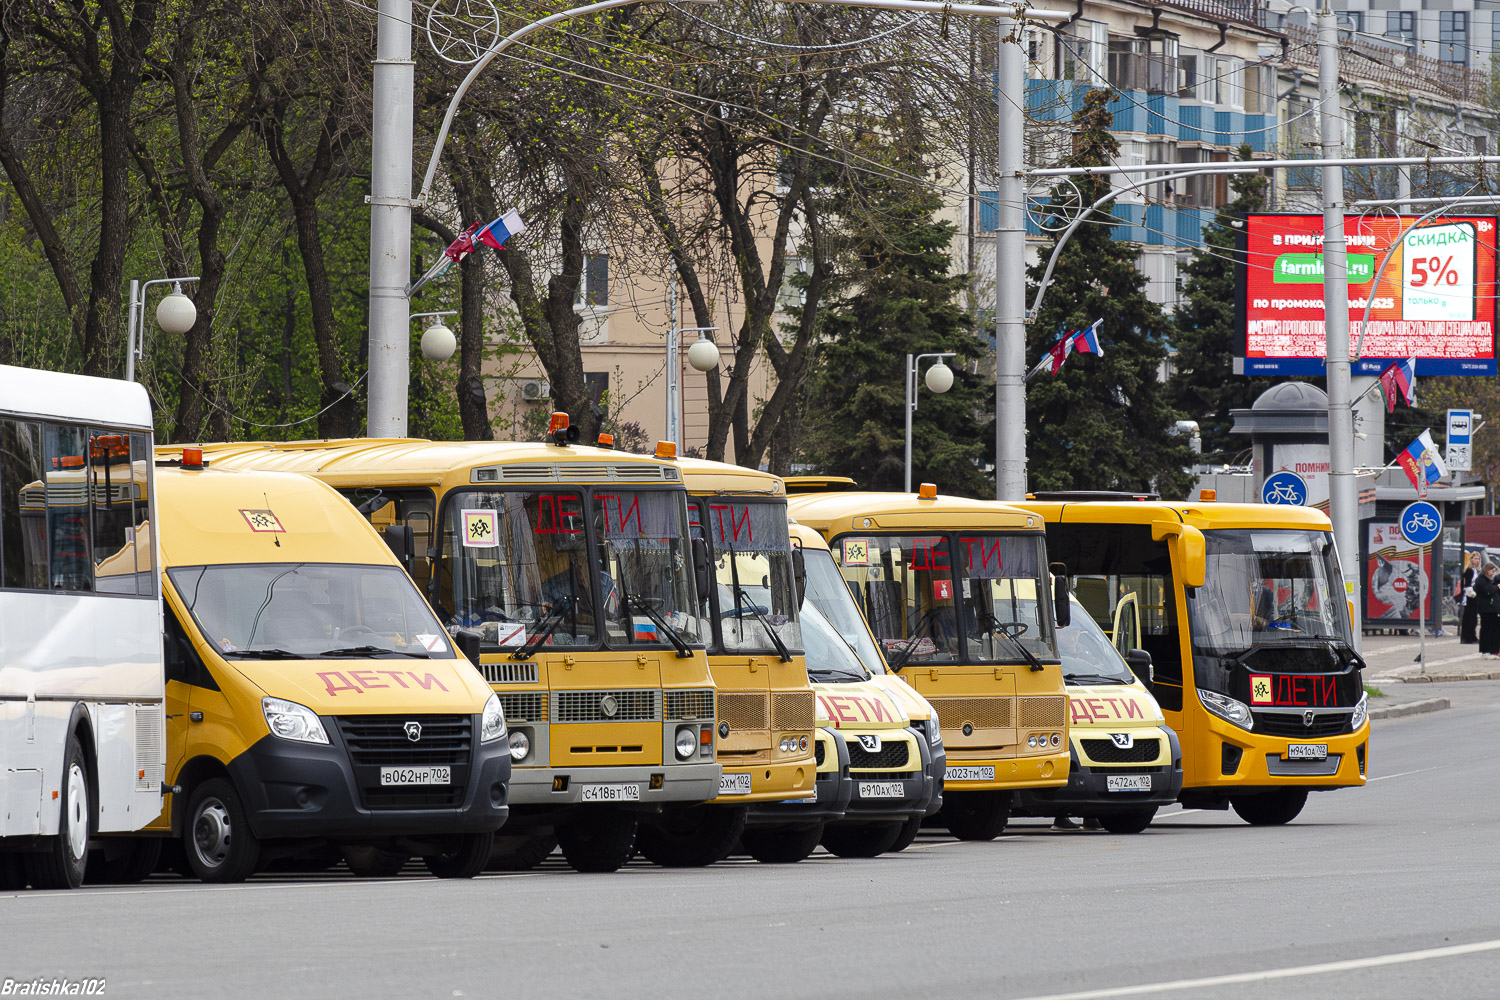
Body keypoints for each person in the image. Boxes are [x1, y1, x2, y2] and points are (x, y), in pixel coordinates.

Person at [1473, 562, 1500, 658]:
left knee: (1494, 630)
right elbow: (1488, 591)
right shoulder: (1481, 580)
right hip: (1486, 609)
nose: (1493, 573)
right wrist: (1497, 587)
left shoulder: (1490, 580)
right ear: (1487, 570)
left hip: (1493, 609)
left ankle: (1494, 650)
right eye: (1492, 571)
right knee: (1486, 630)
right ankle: (1485, 651)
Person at [1459, 552, 1482, 645]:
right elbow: (1467, 585)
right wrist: (1473, 594)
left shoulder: (1475, 570)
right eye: (1475, 558)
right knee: (1469, 618)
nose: (1477, 561)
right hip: (1470, 597)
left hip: (1473, 596)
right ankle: (1468, 637)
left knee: (1472, 618)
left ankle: (1471, 636)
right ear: (1471, 559)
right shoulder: (1469, 571)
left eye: (1478, 559)